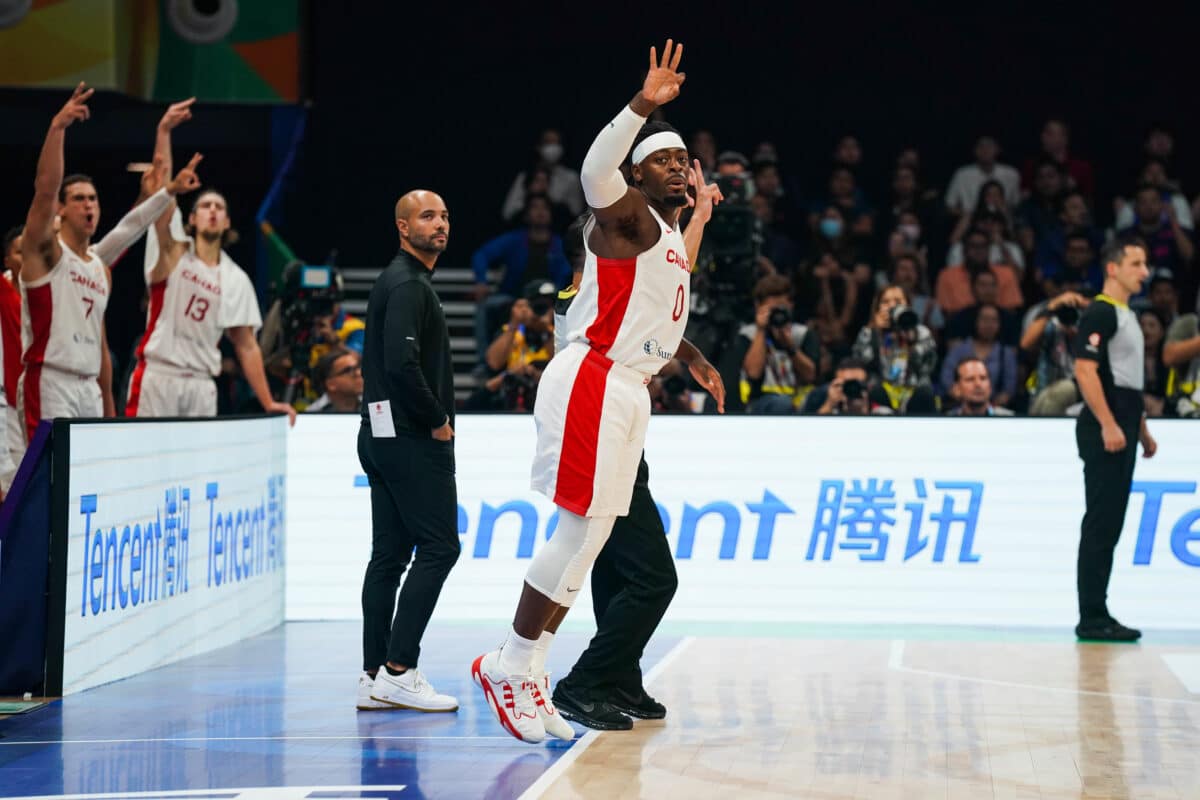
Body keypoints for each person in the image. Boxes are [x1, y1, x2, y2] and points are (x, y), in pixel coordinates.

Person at [472, 40, 702, 744]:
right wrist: (643, 105)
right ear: (636, 173)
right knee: (578, 529)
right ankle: (509, 661)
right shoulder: (624, 215)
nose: (676, 165)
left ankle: (533, 666)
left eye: (681, 156)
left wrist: (688, 352)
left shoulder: (662, 235)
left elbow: (660, 301)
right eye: (662, 157)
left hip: (627, 386)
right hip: (594, 377)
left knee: (595, 537)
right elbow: (594, 168)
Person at [549, 206, 725, 731]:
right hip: (595, 428)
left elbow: (655, 304)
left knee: (613, 566)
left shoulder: (594, 294)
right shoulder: (581, 296)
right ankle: (584, 682)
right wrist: (694, 224)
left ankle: (619, 675)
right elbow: (666, 277)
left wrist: (690, 354)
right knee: (654, 578)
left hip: (617, 427)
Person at [19, 84, 196, 441]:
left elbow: (131, 227)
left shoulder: (98, 265)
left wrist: (167, 192)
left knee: (83, 487)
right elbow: (45, 188)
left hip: (89, 388)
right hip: (50, 380)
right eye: (80, 199)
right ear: (62, 209)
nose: (89, 206)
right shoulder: (46, 253)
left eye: (94, 199)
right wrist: (58, 129)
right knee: (46, 484)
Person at [356, 189, 460, 713]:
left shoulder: (401, 281)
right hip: (411, 439)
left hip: (379, 436)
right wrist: (438, 419)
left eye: (443, 216)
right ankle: (400, 669)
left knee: (390, 555)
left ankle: (374, 675)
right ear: (402, 227)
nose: (439, 224)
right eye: (426, 216)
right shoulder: (408, 284)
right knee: (442, 549)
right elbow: (402, 367)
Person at [128, 100, 295, 422]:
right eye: (205, 206)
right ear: (191, 219)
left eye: (219, 207)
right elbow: (162, 195)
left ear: (228, 222)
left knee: (192, 472)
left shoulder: (236, 279)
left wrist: (268, 401)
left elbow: (246, 346)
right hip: (160, 375)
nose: (213, 211)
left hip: (203, 386)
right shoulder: (174, 249)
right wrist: (164, 132)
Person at [1072, 239, 1156, 642]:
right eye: (1136, 263)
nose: (1144, 271)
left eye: (1145, 264)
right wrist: (1108, 423)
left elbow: (1127, 382)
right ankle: (1091, 615)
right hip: (1105, 427)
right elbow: (1085, 371)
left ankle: (1099, 610)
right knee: (1101, 522)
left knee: (1111, 523)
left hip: (1122, 421)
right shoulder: (1102, 311)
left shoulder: (1127, 314)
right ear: (1113, 268)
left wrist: (1141, 428)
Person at [305, 346, 362, 413]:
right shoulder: (311, 416)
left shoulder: (373, 406)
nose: (359, 373)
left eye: (358, 367)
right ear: (330, 384)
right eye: (349, 370)